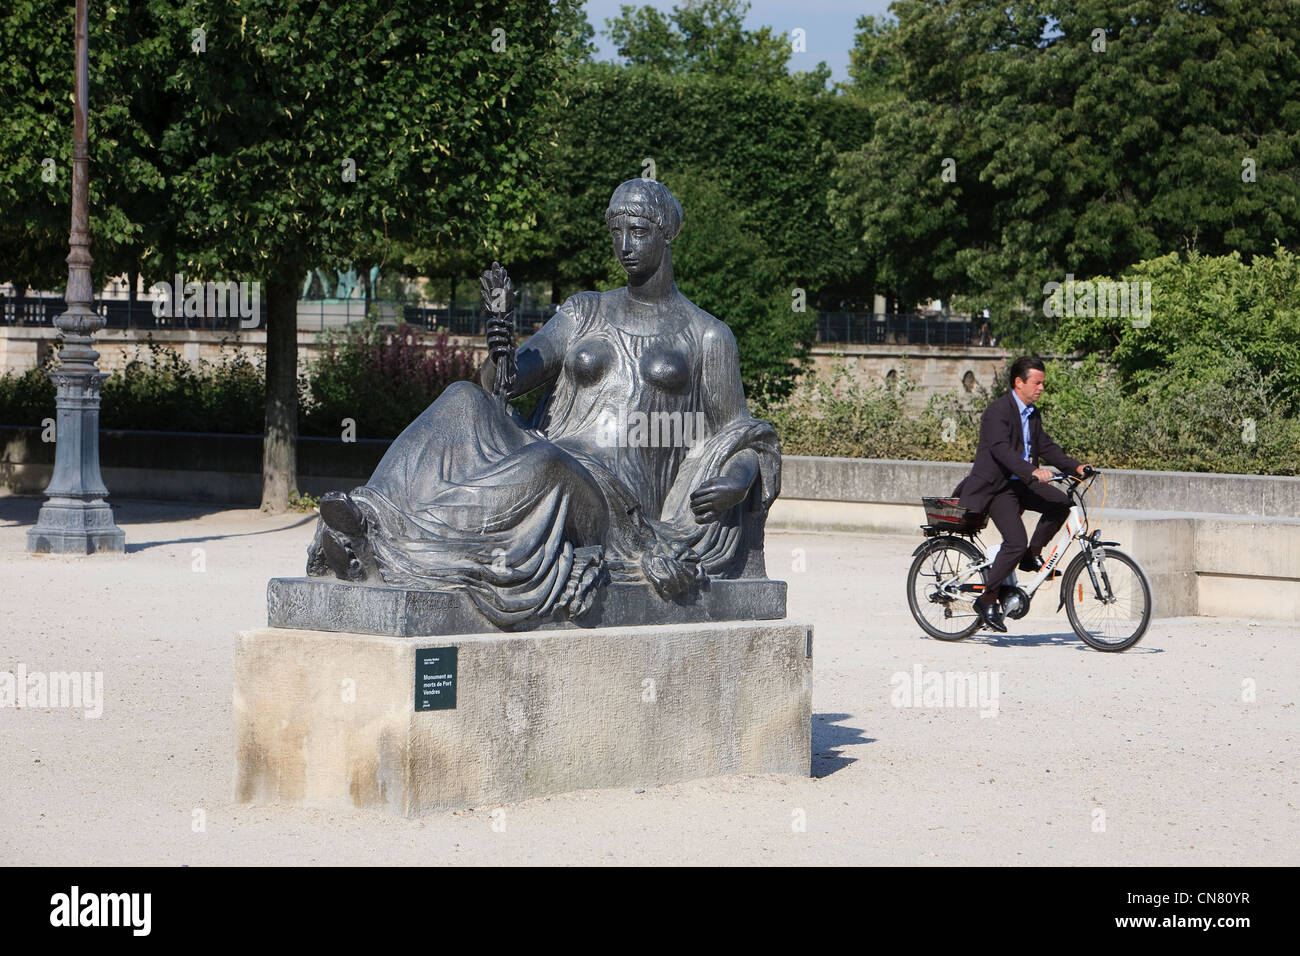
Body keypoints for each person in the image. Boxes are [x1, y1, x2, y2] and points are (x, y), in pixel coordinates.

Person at [304, 179, 780, 627]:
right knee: (462, 398)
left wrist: (737, 482)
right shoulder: (583, 311)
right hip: (547, 453)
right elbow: (502, 383)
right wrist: (499, 337)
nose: (625, 245)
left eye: (638, 231)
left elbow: (741, 435)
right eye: (616, 232)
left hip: (617, 505)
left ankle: (391, 538)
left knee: (547, 464)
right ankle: (365, 515)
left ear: (667, 233)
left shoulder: (708, 335)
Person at [953, 356, 1092, 632]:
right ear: (1019, 382)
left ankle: (1032, 554)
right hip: (998, 487)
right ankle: (988, 598)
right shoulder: (998, 411)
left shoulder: (1032, 413)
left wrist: (1074, 466)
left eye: (1043, 383)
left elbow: (1046, 446)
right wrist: (1032, 471)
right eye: (1036, 382)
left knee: (1060, 503)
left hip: (1021, 484)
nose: (1041, 388)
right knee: (1014, 542)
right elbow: (1001, 450)